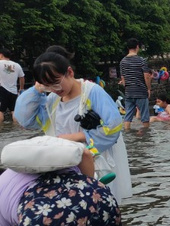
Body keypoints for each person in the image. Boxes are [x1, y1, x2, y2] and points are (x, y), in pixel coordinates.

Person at [13, 45, 132, 216]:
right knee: (72, 210)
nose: (55, 89)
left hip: (95, 159)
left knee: (98, 208)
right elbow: (25, 119)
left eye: (56, 82)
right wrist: (37, 91)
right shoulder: (52, 100)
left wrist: (78, 136)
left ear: (69, 72)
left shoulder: (92, 92)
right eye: (48, 86)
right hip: (65, 162)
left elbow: (113, 125)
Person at [118, 38, 152, 131]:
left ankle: (127, 132)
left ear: (128, 47)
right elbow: (146, 76)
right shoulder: (141, 60)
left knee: (128, 115)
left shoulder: (122, 62)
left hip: (129, 92)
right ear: (137, 47)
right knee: (144, 115)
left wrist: (127, 86)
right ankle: (146, 135)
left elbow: (123, 79)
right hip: (140, 91)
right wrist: (149, 89)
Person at [0, 48, 25, 124]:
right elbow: (22, 77)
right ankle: (17, 128)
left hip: (2, 90)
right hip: (13, 91)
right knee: (13, 111)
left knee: (1, 111)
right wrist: (21, 88)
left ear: (1, 55)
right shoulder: (17, 65)